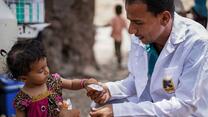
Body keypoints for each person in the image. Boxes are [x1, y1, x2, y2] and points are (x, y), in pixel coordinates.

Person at [87, 0, 208, 116]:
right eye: (130, 21)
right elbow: (137, 81)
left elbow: (184, 105)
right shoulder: (141, 36)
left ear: (164, 18)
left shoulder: (197, 42)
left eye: (138, 22)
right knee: (99, 106)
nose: (131, 30)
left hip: (184, 114)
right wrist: (109, 90)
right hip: (150, 107)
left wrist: (120, 111)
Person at [5, 39, 97, 117]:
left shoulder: (53, 81)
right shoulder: (22, 100)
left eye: (46, 66)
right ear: (24, 78)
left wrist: (85, 83)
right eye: (40, 71)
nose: (46, 71)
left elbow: (72, 84)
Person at [110, 4, 127, 69]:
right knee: (118, 49)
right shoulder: (122, 19)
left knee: (117, 50)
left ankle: (119, 62)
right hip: (120, 37)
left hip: (115, 37)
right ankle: (119, 62)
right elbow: (125, 27)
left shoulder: (114, 19)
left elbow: (109, 24)